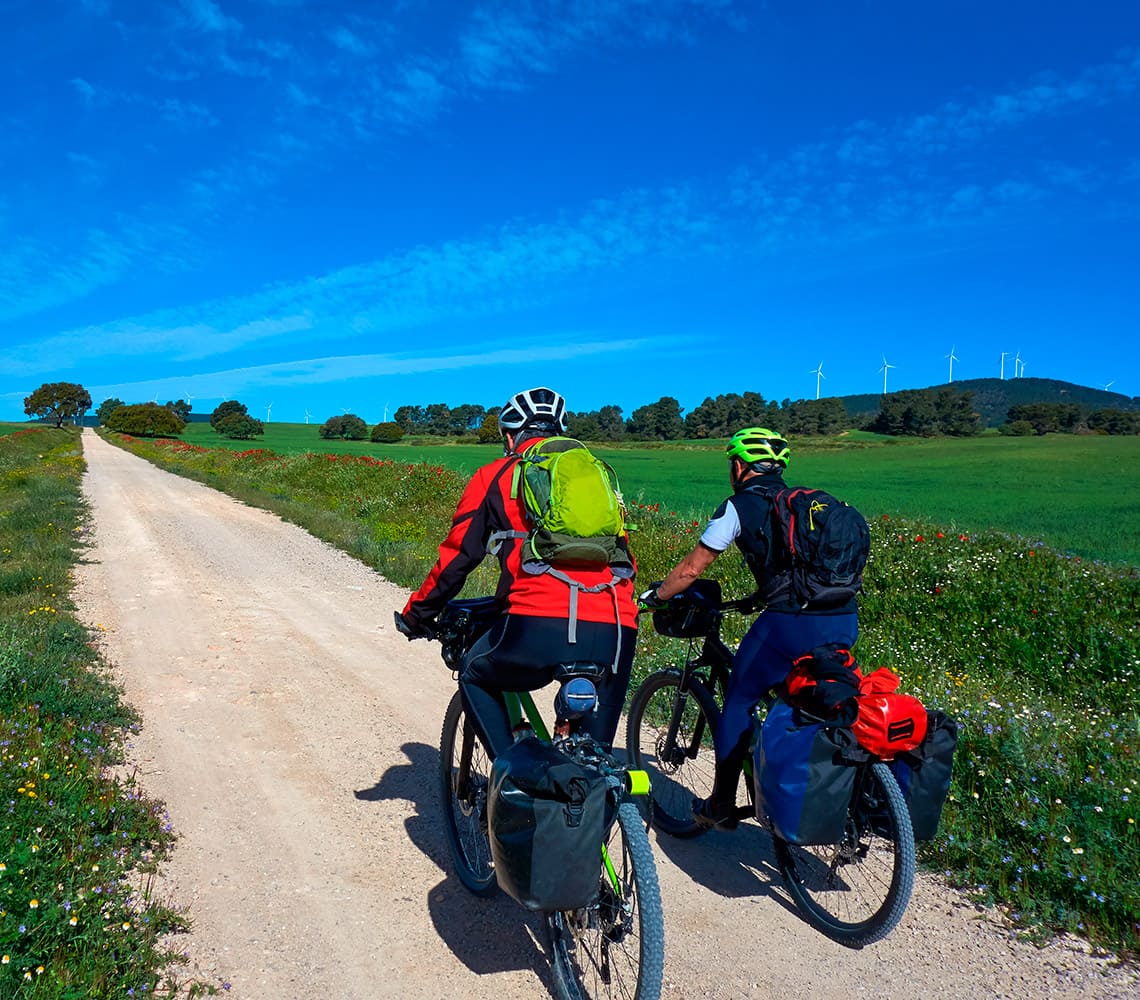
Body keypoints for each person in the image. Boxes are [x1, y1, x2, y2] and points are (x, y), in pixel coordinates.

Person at [394, 387, 638, 758]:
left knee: (476, 672)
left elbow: (459, 556)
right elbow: (625, 561)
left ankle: (512, 775)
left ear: (511, 436)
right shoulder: (595, 480)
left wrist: (418, 614)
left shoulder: (497, 474)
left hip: (537, 621)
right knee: (596, 760)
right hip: (616, 624)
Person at [640, 427, 859, 830]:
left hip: (791, 623)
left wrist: (657, 597)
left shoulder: (739, 506)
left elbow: (693, 568)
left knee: (739, 700)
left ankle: (721, 804)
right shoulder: (805, 506)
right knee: (808, 695)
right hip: (844, 618)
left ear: (739, 466)